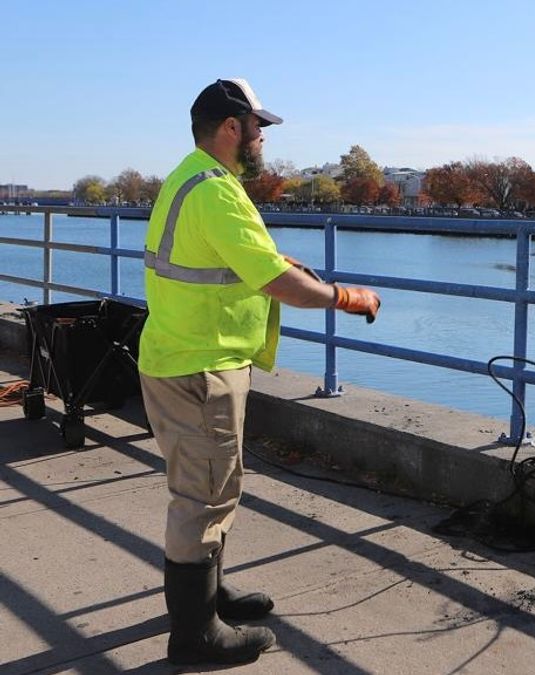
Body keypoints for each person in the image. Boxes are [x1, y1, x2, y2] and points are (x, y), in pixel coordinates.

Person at [139, 78, 381, 666]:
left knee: (212, 489)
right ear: (232, 127)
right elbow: (276, 283)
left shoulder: (191, 177)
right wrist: (346, 296)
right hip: (201, 367)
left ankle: (208, 596)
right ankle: (195, 635)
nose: (263, 137)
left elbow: (231, 259)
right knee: (202, 497)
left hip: (182, 356)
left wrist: (275, 262)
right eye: (258, 127)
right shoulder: (216, 192)